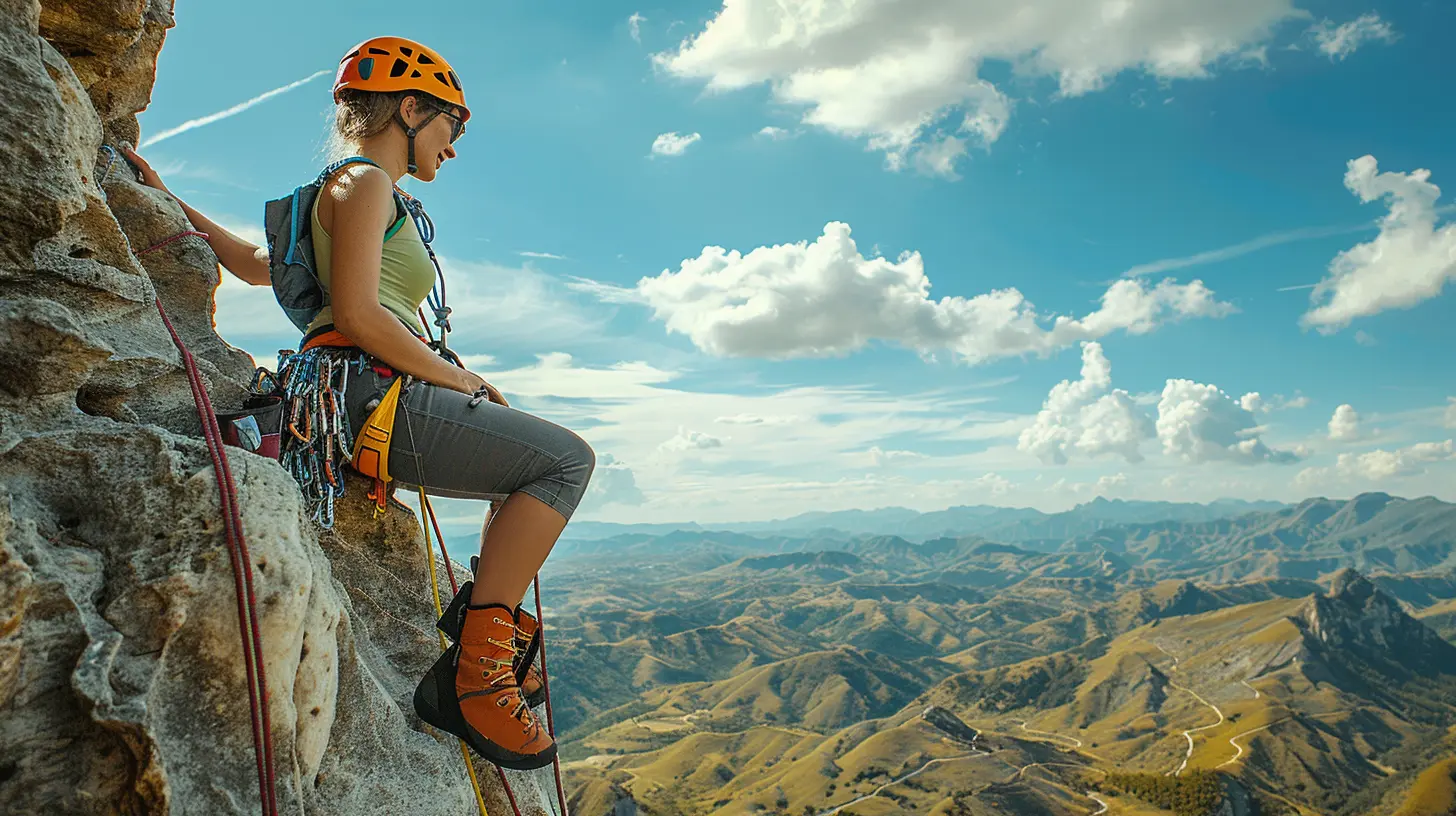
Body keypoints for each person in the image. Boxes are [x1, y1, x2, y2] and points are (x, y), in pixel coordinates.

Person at [123, 36, 592, 771]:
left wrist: (160, 196)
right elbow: (362, 314)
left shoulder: (340, 190)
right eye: (451, 125)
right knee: (564, 460)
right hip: (366, 391)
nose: (455, 146)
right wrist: (456, 378)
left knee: (535, 464)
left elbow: (254, 265)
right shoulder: (366, 183)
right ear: (409, 109)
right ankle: (477, 672)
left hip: (349, 393)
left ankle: (485, 642)